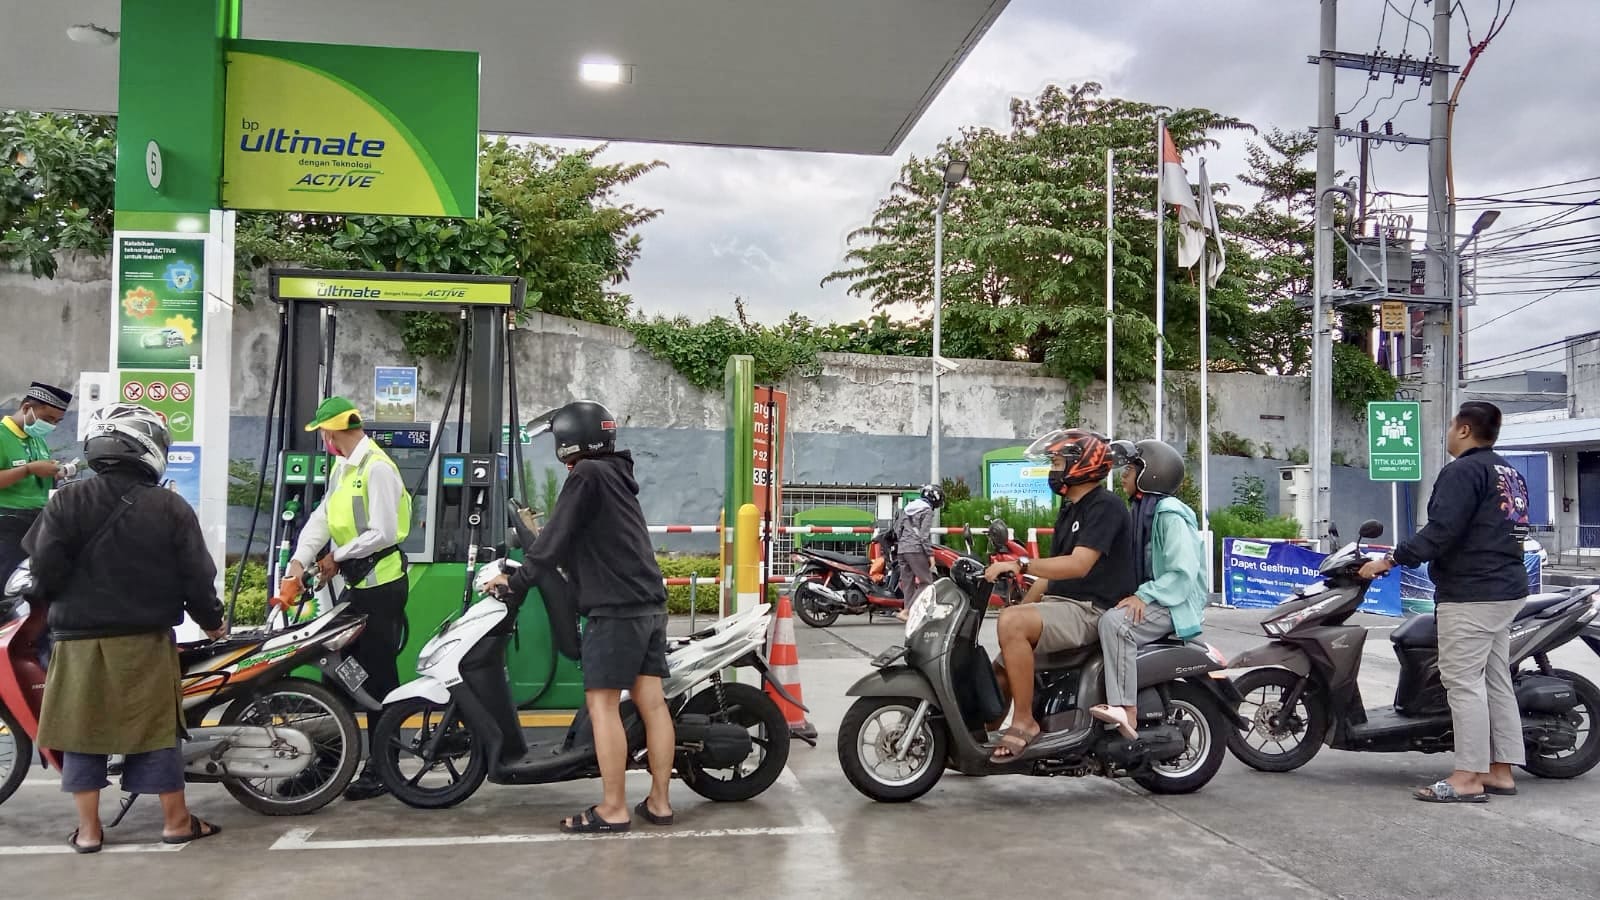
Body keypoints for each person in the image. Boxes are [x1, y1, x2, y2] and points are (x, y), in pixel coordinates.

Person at [24, 403, 226, 852]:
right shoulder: (170, 506)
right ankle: (176, 822)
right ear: (148, 448)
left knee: (82, 731)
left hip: (77, 643)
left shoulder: (66, 501)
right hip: (144, 642)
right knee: (154, 731)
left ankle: (90, 831)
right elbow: (197, 576)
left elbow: (43, 573)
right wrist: (212, 624)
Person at [487, 400, 674, 834]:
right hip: (649, 603)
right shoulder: (616, 475)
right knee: (652, 702)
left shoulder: (587, 474)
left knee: (601, 704)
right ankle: (660, 803)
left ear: (568, 440)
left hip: (615, 609)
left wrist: (515, 582)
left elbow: (553, 540)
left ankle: (613, 808)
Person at [1359, 401, 1531, 804]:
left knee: (1462, 682)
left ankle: (1467, 777)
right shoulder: (1510, 473)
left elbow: (1441, 532)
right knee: (1494, 679)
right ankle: (1500, 769)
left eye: (1453, 424)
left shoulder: (1463, 471)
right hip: (1506, 588)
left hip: (1472, 593)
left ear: (1466, 430)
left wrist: (1389, 560)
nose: (1449, 430)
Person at [285, 397, 413, 802]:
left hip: (380, 587)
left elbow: (383, 531)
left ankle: (382, 765)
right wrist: (297, 563)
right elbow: (322, 518)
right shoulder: (344, 467)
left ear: (332, 433)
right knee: (336, 671)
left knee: (377, 677)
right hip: (353, 587)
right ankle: (328, 765)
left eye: (323, 434)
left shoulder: (377, 469)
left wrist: (336, 557)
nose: (324, 442)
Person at [982, 429, 1136, 763]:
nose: (1053, 469)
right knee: (1001, 664)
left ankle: (1024, 722)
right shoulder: (1071, 508)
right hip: (1064, 604)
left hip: (1092, 610)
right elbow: (1050, 577)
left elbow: (1078, 565)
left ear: (1082, 465)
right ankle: (979, 737)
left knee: (1011, 625)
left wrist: (1020, 563)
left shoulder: (1105, 507)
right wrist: (1020, 611)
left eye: (1057, 462)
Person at [1088, 439, 1208, 738]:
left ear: (1152, 474)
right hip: (1159, 597)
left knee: (1116, 625)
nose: (1124, 474)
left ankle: (1125, 708)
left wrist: (1143, 595)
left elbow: (1182, 572)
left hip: (1174, 603)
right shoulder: (1142, 510)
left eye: (1131, 468)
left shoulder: (1168, 514)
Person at [0, 382, 72, 586]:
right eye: (48, 419)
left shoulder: (36, 439)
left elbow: (35, 475)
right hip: (6, 524)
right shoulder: (2, 436)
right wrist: (28, 469)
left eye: (57, 421)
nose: (51, 426)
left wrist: (52, 473)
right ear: (26, 408)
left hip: (36, 525)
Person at [893, 484, 942, 621]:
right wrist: (930, 554)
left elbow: (897, 530)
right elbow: (923, 536)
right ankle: (908, 611)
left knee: (907, 583)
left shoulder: (907, 509)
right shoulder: (927, 511)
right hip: (915, 549)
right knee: (926, 582)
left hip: (902, 550)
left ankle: (907, 612)